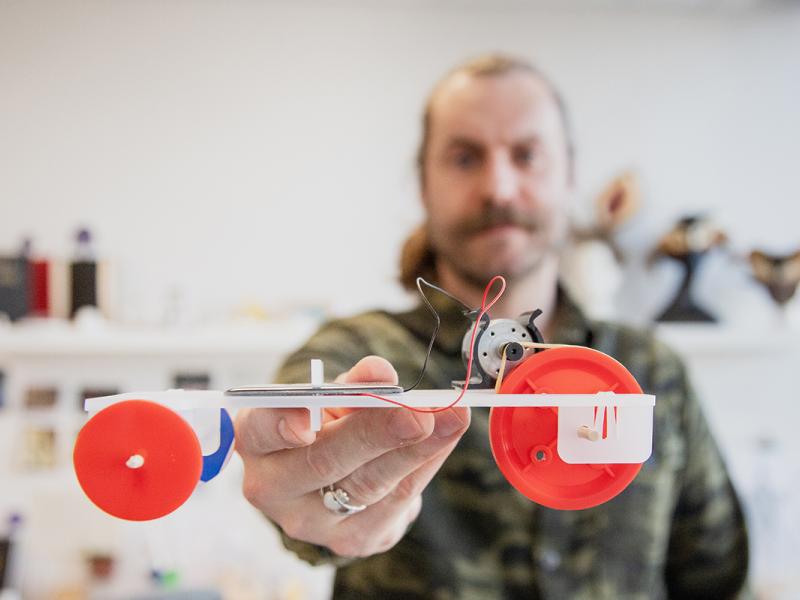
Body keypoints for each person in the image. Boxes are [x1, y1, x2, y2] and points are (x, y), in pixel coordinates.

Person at [235, 54, 750, 599]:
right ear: (423, 185)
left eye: (527, 155)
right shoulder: (360, 352)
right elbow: (296, 485)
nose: (499, 187)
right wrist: (311, 486)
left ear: (569, 175)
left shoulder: (652, 372)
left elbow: (718, 581)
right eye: (464, 157)